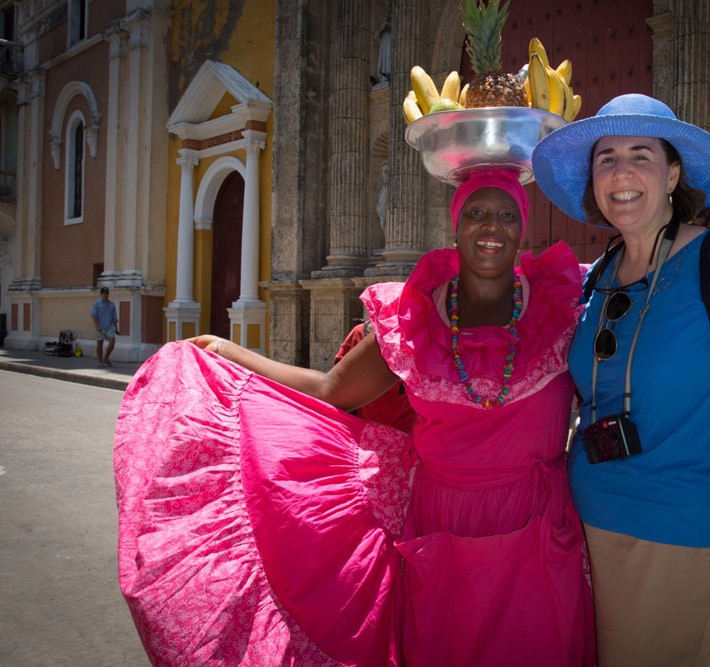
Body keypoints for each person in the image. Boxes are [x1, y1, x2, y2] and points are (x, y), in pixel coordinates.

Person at [114, 170, 595, 666]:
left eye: (506, 215)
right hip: (441, 527)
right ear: (455, 226)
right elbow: (332, 390)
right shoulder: (415, 319)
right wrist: (231, 352)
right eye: (475, 213)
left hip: (538, 525)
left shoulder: (563, 307)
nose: (490, 227)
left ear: (523, 226)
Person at [532, 93, 710, 665]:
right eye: (606, 157)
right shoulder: (597, 276)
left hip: (685, 532)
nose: (622, 171)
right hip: (584, 526)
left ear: (673, 173)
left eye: (641, 155)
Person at [334, 318, 416, 432]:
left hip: (374, 433)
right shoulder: (360, 332)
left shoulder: (361, 332)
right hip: (371, 431)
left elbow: (336, 383)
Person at [90, 286, 118, 367]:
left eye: (107, 293)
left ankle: (106, 358)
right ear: (101, 294)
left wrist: (116, 328)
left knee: (112, 342)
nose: (106, 295)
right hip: (100, 327)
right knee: (100, 344)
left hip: (110, 327)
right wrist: (97, 326)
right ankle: (100, 361)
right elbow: (94, 315)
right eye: (104, 293)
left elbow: (114, 318)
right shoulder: (97, 304)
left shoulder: (112, 304)